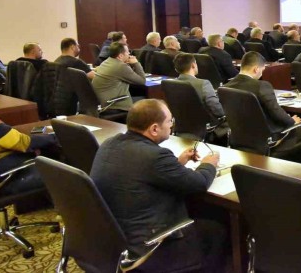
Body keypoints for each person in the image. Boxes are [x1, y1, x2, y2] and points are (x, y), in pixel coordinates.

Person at [90, 99, 225, 272]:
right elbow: (199, 183)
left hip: (114, 242)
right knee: (217, 230)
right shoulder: (155, 156)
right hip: (150, 248)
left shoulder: (109, 144)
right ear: (154, 129)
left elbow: (141, 173)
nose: (171, 125)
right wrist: (209, 164)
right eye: (169, 121)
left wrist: (177, 163)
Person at [223, 52, 301, 146]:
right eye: (262, 70)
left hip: (239, 138)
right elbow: (276, 113)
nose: (262, 74)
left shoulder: (225, 87)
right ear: (256, 69)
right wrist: (292, 121)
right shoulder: (262, 86)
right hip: (268, 139)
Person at [174, 53, 226, 128]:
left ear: (176, 69)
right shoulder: (204, 84)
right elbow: (218, 111)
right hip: (207, 125)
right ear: (193, 65)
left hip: (182, 124)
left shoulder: (171, 83)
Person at [92, 42, 146, 111]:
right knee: (146, 102)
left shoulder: (107, 61)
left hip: (103, 101)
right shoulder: (121, 66)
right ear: (120, 56)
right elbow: (142, 81)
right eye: (127, 52)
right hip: (114, 104)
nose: (129, 54)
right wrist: (136, 63)